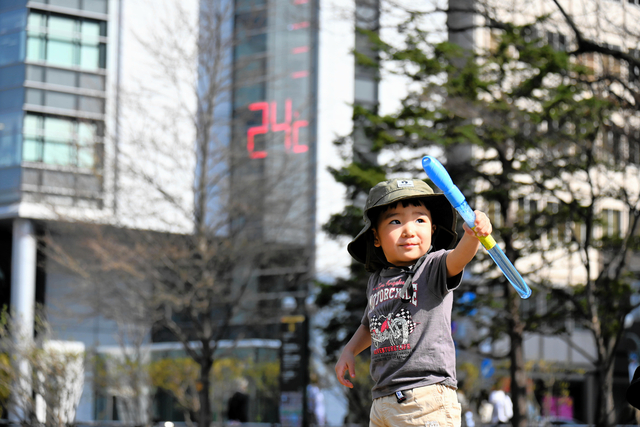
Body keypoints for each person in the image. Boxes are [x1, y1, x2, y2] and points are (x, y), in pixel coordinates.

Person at [334, 178, 493, 427]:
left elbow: (459, 258)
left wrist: (472, 235)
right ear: (375, 237)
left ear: (432, 229)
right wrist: (350, 350)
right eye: (395, 221)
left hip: (425, 397)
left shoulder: (433, 267)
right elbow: (370, 325)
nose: (409, 230)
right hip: (383, 400)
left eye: (419, 220)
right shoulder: (377, 280)